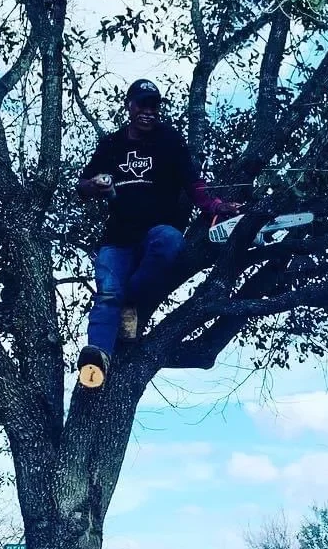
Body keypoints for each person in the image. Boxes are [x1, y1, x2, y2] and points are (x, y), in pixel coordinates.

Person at [74, 79, 240, 389]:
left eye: (153, 106)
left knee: (170, 241)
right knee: (108, 292)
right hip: (117, 237)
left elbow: (194, 183)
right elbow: (81, 186)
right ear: (130, 106)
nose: (148, 112)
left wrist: (215, 206)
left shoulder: (169, 141)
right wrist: (95, 185)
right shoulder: (112, 145)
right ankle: (98, 356)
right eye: (142, 105)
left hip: (155, 233)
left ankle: (132, 301)